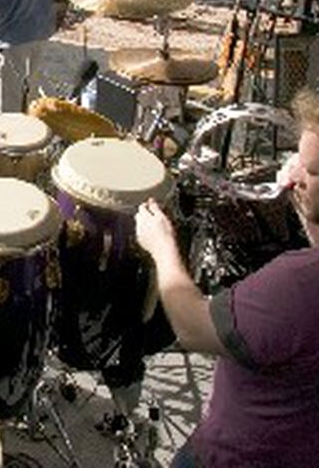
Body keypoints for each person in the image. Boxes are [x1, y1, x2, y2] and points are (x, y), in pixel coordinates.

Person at [135, 86, 319, 467]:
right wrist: (306, 201)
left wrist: (162, 247)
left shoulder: (299, 284)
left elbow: (193, 327)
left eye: (311, 169)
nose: (295, 172)